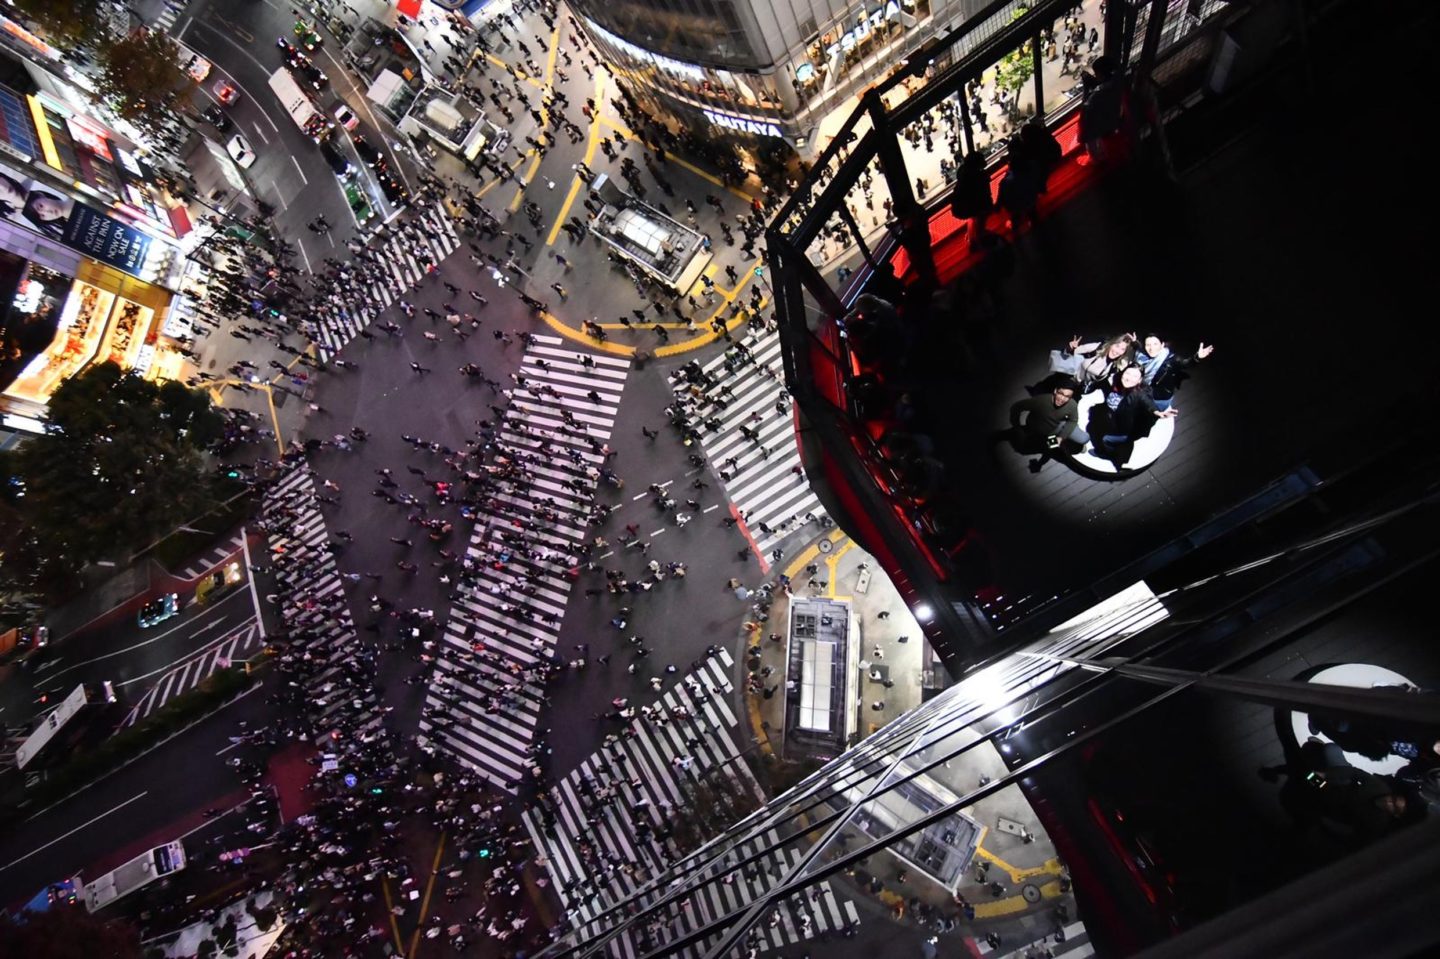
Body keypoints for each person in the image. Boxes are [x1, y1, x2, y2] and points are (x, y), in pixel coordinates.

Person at [1087, 365, 1176, 465]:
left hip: (1128, 429)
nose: (1129, 378)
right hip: (1117, 416)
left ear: (1139, 380)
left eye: (1134, 376)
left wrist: (1156, 412)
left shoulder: (1139, 393)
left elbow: (1147, 403)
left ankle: (1109, 454)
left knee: (1107, 440)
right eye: (1128, 373)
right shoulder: (1119, 381)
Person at [1001, 378, 1079, 473]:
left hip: (1051, 434)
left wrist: (1061, 437)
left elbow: (1073, 420)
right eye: (1061, 393)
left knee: (1050, 451)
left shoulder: (1072, 405)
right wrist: (1017, 427)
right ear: (1055, 391)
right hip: (1032, 431)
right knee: (1023, 447)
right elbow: (1016, 407)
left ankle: (1038, 465)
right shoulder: (1041, 400)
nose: (1062, 399)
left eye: (1067, 396)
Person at [1136, 335, 1214, 410]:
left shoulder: (1172, 359)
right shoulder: (1142, 356)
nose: (1151, 348)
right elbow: (1138, 348)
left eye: (1155, 344)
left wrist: (1197, 357)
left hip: (1159, 398)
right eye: (1148, 345)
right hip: (1144, 392)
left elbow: (1185, 363)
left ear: (1162, 345)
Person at [949, 151, 994, 248]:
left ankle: (971, 238)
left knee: (973, 217)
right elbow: (985, 194)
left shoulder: (963, 172)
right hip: (973, 206)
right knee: (980, 216)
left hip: (961, 206)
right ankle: (978, 238)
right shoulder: (980, 176)